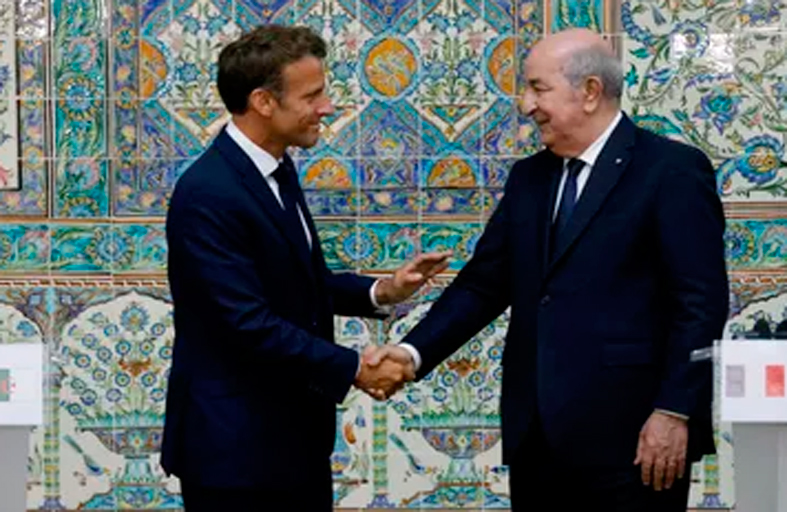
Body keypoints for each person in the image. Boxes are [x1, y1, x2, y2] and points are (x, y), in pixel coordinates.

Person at [367, 28, 729, 511]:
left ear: (590, 92)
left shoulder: (671, 170)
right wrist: (411, 354)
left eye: (538, 88)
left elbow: (701, 302)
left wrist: (674, 410)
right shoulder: (529, 178)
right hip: (537, 437)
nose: (525, 105)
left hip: (635, 438)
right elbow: (484, 284)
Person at [160, 24, 450, 512]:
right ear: (263, 102)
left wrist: (382, 291)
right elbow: (246, 321)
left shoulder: (275, 169)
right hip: (235, 453)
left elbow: (296, 282)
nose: (327, 107)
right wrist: (354, 368)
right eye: (312, 96)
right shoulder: (208, 193)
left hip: (291, 441)